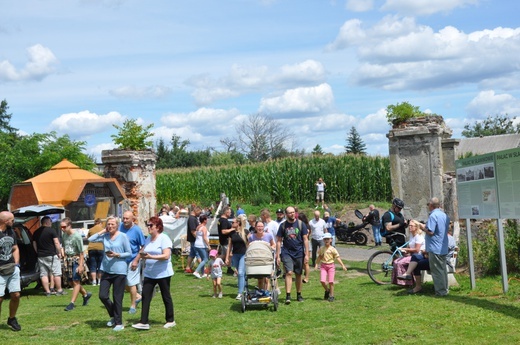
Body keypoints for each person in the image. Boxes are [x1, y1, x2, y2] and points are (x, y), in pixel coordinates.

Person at [398, 198, 450, 296]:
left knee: (436, 271)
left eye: (428, 205)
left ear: (431, 205)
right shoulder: (444, 215)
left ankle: (440, 292)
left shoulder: (433, 215)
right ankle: (445, 289)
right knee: (442, 270)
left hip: (435, 247)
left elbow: (430, 231)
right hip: (443, 246)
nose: (427, 206)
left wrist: (422, 227)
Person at [132, 217, 176, 330]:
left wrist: (151, 257)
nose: (148, 227)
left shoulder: (164, 238)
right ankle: (144, 321)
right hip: (149, 273)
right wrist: (136, 260)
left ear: (158, 227)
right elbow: (142, 251)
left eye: (151, 225)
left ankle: (170, 320)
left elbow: (166, 256)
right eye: (148, 225)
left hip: (163, 273)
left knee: (165, 296)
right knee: (146, 296)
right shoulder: (148, 239)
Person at [88, 216, 131, 331]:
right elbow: (90, 239)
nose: (110, 226)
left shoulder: (123, 236)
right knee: (103, 295)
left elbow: (129, 253)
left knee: (117, 298)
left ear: (117, 225)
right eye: (108, 224)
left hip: (119, 271)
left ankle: (118, 323)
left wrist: (117, 255)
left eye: (112, 224)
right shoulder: (105, 237)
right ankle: (113, 315)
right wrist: (103, 231)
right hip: (106, 270)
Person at [276, 206, 309, 305]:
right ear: (286, 214)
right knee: (289, 273)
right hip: (286, 252)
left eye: (293, 212)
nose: (292, 214)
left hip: (299, 252)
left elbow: (305, 239)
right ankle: (288, 295)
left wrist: (307, 254)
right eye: (290, 213)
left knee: (298, 274)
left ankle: (299, 294)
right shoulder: (283, 226)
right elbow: (278, 241)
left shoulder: (300, 224)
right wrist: (277, 255)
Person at [61, 217, 92, 311]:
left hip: (76, 259)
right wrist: (62, 253)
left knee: (76, 281)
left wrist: (81, 265)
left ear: (69, 226)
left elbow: (82, 252)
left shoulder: (77, 236)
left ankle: (71, 303)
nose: (62, 229)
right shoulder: (64, 235)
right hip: (68, 260)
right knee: (71, 282)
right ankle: (85, 294)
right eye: (61, 227)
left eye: (64, 227)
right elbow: (64, 246)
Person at [119, 211, 145, 314]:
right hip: (121, 260)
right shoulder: (119, 227)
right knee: (122, 282)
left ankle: (133, 305)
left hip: (132, 259)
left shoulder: (137, 230)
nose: (124, 220)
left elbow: (143, 246)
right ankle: (138, 296)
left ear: (132, 219)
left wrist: (136, 260)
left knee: (131, 282)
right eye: (123, 218)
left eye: (127, 219)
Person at [32, 215, 65, 296]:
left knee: (43, 274)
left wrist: (38, 252)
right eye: (50, 222)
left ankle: (47, 291)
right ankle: (59, 290)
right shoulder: (51, 231)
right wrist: (59, 252)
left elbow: (34, 244)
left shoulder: (36, 232)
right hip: (52, 255)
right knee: (56, 273)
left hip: (41, 256)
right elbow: (56, 242)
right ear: (46, 222)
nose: (51, 223)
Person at [0, 211, 22, 331]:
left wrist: (16, 264)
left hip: (12, 268)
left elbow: (15, 248)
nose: (13, 222)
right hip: (0, 271)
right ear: (5, 221)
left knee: (16, 295)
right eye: (12, 220)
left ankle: (12, 318)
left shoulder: (11, 232)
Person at [391, 220, 424, 287]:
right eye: (409, 225)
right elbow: (410, 247)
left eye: (411, 226)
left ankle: (406, 282)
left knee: (400, 262)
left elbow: (417, 250)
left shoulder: (418, 236)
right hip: (412, 255)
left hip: (418, 256)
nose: (409, 227)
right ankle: (400, 281)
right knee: (396, 261)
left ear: (416, 227)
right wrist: (406, 252)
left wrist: (406, 249)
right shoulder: (412, 236)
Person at [316, 233, 347, 302]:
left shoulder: (333, 249)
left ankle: (331, 295)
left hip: (331, 266)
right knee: (322, 281)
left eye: (328, 239)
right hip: (323, 266)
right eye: (325, 239)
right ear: (323, 240)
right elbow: (319, 257)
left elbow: (337, 257)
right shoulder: (321, 248)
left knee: (331, 282)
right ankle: (327, 290)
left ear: (331, 240)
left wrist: (342, 265)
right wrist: (316, 264)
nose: (326, 240)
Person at [225, 214, 248, 300]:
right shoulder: (232, 233)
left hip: (243, 254)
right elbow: (229, 246)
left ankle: (240, 293)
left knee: (241, 272)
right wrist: (227, 257)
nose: (231, 224)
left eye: (233, 222)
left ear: (238, 223)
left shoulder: (245, 232)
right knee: (240, 274)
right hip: (235, 255)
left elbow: (249, 244)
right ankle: (245, 289)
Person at [248, 221, 276, 291]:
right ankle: (260, 292)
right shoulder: (252, 237)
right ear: (255, 227)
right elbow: (248, 246)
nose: (260, 228)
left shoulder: (268, 235)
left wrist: (271, 247)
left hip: (266, 258)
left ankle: (267, 293)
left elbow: (273, 244)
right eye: (258, 226)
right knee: (260, 279)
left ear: (263, 227)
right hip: (257, 259)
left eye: (261, 226)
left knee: (266, 279)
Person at [87, 218, 104, 285]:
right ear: (100, 223)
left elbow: (87, 237)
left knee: (93, 265)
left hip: (91, 248)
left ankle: (94, 281)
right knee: (100, 265)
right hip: (101, 248)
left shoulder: (91, 229)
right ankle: (99, 280)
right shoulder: (103, 229)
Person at [185, 206, 202, 273]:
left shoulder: (193, 218)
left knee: (192, 254)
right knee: (198, 254)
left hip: (193, 240)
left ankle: (188, 268)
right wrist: (198, 238)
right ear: (196, 211)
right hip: (194, 240)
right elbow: (193, 231)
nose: (199, 214)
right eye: (199, 212)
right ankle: (203, 268)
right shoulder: (192, 219)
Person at [193, 215, 210, 279]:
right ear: (204, 220)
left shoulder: (198, 227)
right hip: (202, 245)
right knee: (206, 259)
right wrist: (208, 245)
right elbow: (205, 237)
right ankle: (196, 271)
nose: (207, 220)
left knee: (203, 259)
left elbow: (196, 234)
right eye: (206, 219)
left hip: (197, 244)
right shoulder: (204, 228)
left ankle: (203, 273)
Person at [217, 206, 233, 274]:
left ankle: (216, 264)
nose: (230, 213)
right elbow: (223, 231)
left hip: (222, 240)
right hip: (225, 241)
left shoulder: (220, 220)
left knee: (224, 255)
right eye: (229, 212)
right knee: (229, 254)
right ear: (226, 212)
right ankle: (229, 268)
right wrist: (232, 229)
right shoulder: (224, 221)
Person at [297, 213, 312, 284]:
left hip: (306, 244)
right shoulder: (298, 225)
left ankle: (307, 277)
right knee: (302, 263)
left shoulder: (306, 226)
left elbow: (307, 235)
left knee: (306, 262)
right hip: (300, 244)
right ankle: (305, 273)